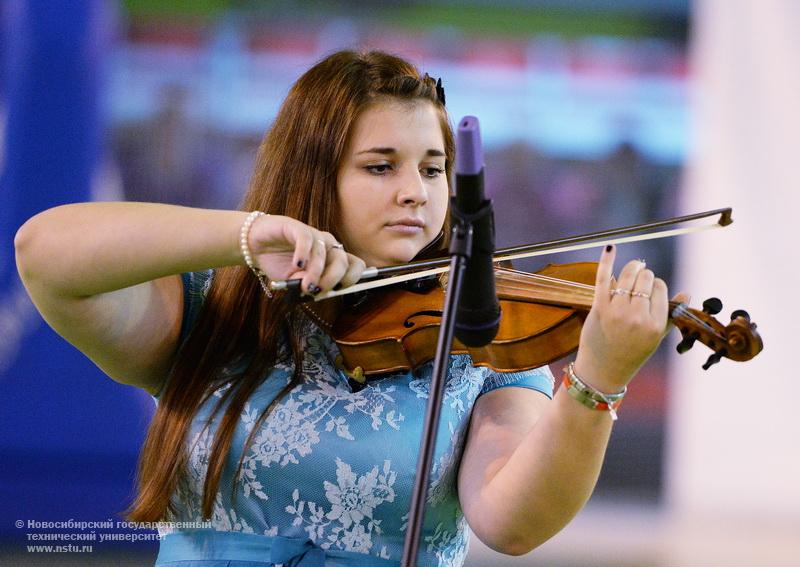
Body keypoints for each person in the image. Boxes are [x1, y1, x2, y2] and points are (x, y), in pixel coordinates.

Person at [14, 50, 682, 566]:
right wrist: (247, 235)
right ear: (311, 173)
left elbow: (512, 520)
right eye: (380, 166)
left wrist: (597, 379)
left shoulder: (478, 332)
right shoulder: (212, 311)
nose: (416, 193)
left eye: (432, 167)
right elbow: (43, 251)